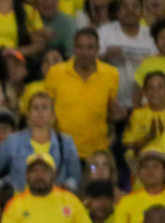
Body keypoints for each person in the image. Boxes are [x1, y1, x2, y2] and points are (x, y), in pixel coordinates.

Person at [45, 28, 121, 161]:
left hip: (96, 155)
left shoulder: (111, 74)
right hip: (62, 154)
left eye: (89, 47)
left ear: (97, 49)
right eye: (80, 47)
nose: (84, 53)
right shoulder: (55, 73)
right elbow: (47, 110)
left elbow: (111, 115)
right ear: (74, 48)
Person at [0, 91, 81, 193]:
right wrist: (0, 188)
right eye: (35, 108)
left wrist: (66, 186)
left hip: (55, 204)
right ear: (28, 114)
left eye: (44, 107)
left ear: (53, 114)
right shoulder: (13, 141)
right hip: (19, 203)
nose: (40, 112)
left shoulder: (66, 142)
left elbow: (76, 177)